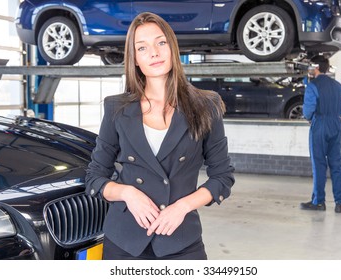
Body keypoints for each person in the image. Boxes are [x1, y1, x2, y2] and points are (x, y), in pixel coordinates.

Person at [85, 12, 235, 260]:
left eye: (160, 42)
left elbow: (222, 177)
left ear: (172, 47)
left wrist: (183, 207)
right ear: (135, 59)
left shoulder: (206, 105)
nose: (154, 52)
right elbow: (94, 177)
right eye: (142, 48)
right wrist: (128, 194)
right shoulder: (116, 108)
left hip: (180, 237)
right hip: (124, 240)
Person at [301, 55, 341, 213]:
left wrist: (310, 118)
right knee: (336, 164)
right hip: (336, 125)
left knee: (319, 164)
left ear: (315, 68)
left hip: (320, 125)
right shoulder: (338, 86)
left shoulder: (312, 86)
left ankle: (319, 202)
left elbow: (308, 110)